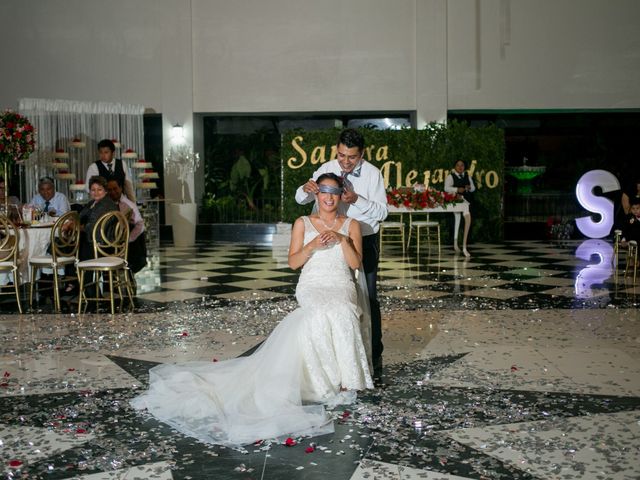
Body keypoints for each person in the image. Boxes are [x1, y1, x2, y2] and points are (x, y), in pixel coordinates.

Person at [131, 173, 373, 447]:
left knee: (342, 310)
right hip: (313, 283)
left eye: (334, 192)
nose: (328, 198)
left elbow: (354, 265)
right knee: (317, 313)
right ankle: (322, 384)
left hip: (340, 282)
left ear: (341, 195)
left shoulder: (351, 224)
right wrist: (312, 244)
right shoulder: (303, 223)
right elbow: (294, 263)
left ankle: (345, 381)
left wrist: (343, 240)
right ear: (316, 194)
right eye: (323, 192)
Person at [295, 128, 387, 373]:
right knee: (334, 296)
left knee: (368, 298)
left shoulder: (372, 174)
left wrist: (356, 199)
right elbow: (301, 199)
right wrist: (305, 190)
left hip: (363, 239)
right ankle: (331, 352)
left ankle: (373, 353)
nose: (345, 162)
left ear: (362, 154)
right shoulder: (327, 167)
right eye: (342, 155)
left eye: (352, 157)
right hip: (328, 242)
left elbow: (383, 212)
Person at [107, 178, 147, 274]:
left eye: (115, 189)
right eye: (110, 190)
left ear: (120, 188)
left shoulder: (129, 204)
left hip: (127, 241)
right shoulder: (106, 203)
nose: (113, 192)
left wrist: (128, 239)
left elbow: (140, 224)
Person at [444, 159, 475, 255]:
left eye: (462, 165)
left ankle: (465, 246)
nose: (460, 167)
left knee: (467, 219)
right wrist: (457, 189)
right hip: (456, 201)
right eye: (458, 165)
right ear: (455, 167)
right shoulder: (450, 176)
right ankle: (455, 243)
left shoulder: (467, 176)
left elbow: (473, 188)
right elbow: (446, 188)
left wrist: (469, 188)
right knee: (455, 221)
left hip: (467, 202)